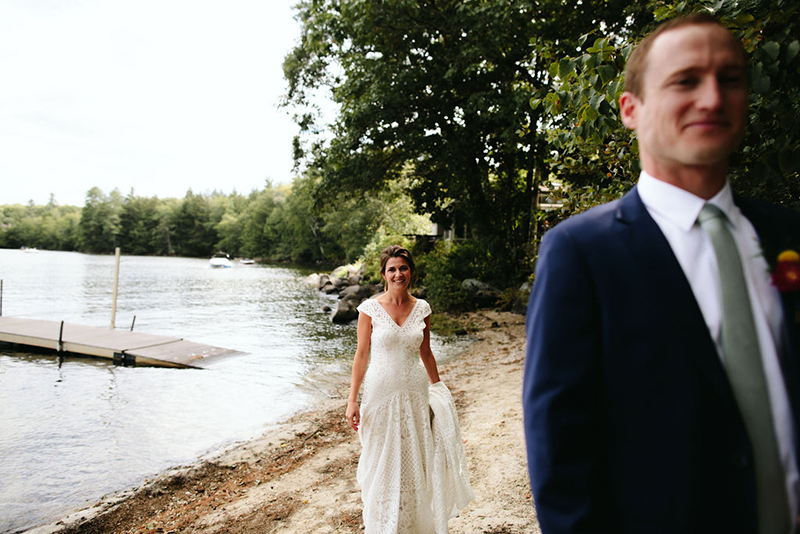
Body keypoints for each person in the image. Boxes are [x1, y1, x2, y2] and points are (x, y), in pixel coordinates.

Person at [523, 13, 800, 534]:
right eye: (686, 81)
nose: (713, 98)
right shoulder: (580, 253)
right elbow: (560, 451)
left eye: (731, 79)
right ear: (631, 109)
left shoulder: (789, 237)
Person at [346, 245, 474, 533]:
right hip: (380, 394)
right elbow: (361, 355)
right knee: (380, 463)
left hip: (416, 394)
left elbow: (426, 353)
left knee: (416, 461)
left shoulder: (423, 309)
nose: (398, 273)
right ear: (383, 274)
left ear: (411, 272)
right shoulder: (369, 310)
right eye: (392, 269)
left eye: (403, 268)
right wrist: (352, 400)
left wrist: (439, 389)